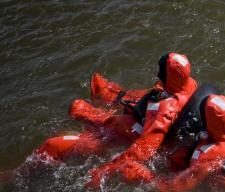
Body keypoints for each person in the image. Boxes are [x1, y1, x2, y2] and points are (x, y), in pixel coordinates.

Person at [36, 53, 198, 168]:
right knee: (146, 93)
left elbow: (145, 149)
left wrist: (107, 169)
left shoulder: (166, 109)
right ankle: (115, 97)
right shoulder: (189, 84)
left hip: (125, 134)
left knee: (54, 140)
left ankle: (17, 175)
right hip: (139, 121)